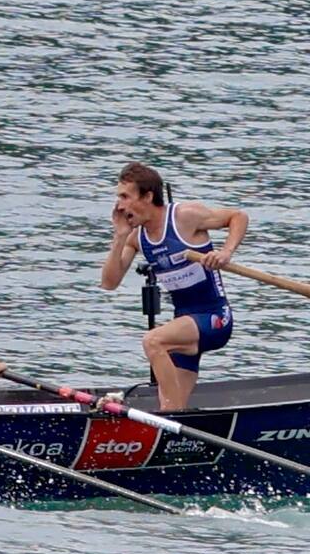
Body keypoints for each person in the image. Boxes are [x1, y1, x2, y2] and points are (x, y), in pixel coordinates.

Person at [100, 161, 248, 410]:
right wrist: (120, 236)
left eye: (125, 196)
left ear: (147, 197)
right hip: (184, 323)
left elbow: (238, 217)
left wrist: (225, 252)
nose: (119, 205)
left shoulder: (184, 217)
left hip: (215, 318)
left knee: (153, 341)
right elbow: (109, 282)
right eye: (118, 197)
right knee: (172, 408)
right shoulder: (136, 238)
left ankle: (167, 420)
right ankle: (170, 421)